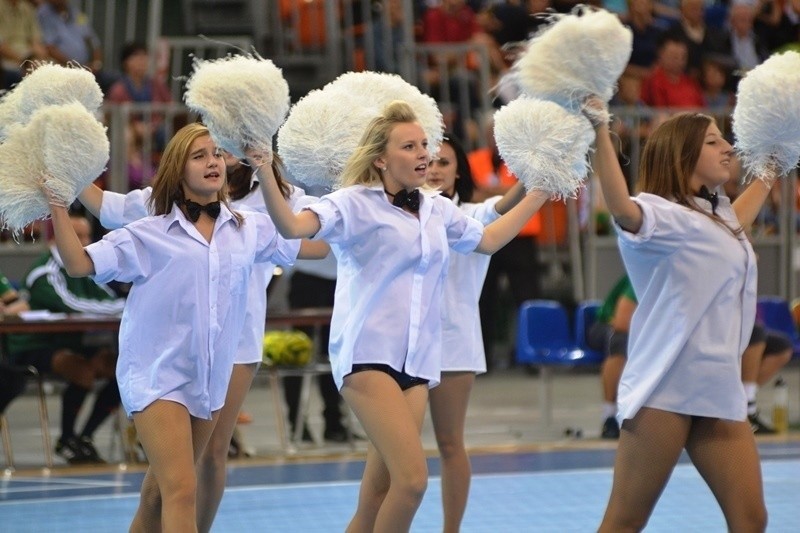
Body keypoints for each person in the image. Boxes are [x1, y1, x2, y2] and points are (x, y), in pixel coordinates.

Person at [256, 100, 550, 531]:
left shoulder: (436, 207)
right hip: (368, 356)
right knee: (412, 481)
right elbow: (292, 228)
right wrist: (264, 168)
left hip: (417, 361)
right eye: (410, 147)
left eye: (424, 145)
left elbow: (487, 240)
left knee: (380, 489)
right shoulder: (353, 203)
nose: (423, 155)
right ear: (381, 158)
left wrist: (542, 189)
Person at [46, 123, 300, 531]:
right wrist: (58, 204)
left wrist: (267, 168)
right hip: (156, 374)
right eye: (199, 155)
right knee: (182, 487)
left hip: (210, 377)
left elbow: (299, 234)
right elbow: (79, 265)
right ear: (177, 170)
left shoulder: (249, 227)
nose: (213, 161)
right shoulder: (148, 232)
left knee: (157, 494)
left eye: (216, 153)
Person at [588, 100, 777, 531]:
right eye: (714, 141)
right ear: (683, 156)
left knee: (751, 519)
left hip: (718, 384)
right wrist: (600, 131)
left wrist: (776, 155)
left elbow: (734, 225)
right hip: (665, 388)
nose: (728, 148)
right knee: (625, 521)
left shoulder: (718, 216)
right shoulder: (659, 215)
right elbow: (620, 207)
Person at [426, 134, 526, 532]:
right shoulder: (394, 212)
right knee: (387, 451)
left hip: (453, 343)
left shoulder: (473, 215)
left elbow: (508, 203)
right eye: (429, 160)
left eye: (444, 163)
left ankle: (451, 529)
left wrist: (539, 171)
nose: (434, 168)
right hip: (399, 345)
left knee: (450, 444)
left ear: (459, 172)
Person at [5, 212, 126, 464]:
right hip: (32, 346)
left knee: (121, 370)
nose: (83, 242)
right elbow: (70, 304)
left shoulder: (88, 269)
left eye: (86, 236)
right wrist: (128, 307)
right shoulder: (45, 272)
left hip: (72, 343)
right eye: (75, 235)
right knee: (80, 368)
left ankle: (86, 437)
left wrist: (123, 306)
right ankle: (67, 439)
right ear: (56, 237)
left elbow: (107, 300)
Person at [586, 274, 637, 440]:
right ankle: (609, 415)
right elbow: (622, 322)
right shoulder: (648, 273)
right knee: (621, 342)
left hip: (640, 328)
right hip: (605, 325)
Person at [0, 0, 48, 87]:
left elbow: (35, 39)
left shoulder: (27, 8)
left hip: (28, 55)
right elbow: (1, 46)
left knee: (46, 70)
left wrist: (39, 57)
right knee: (17, 74)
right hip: (7, 58)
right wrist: (24, 62)